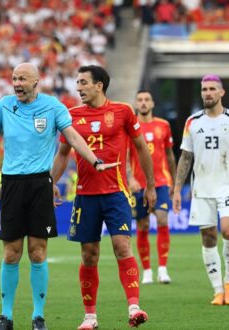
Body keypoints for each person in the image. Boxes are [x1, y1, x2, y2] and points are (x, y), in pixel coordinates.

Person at [0, 63, 116, 330]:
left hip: (40, 184)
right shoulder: (5, 105)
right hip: (12, 184)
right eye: (14, 78)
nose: (17, 83)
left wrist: (95, 161)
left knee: (38, 253)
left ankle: (38, 318)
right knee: (11, 253)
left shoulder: (53, 107)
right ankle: (5, 317)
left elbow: (72, 138)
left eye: (22, 79)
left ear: (36, 82)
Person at [51, 65, 157, 329]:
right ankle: (90, 317)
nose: (78, 87)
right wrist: (50, 182)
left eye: (83, 82)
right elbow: (63, 154)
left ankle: (134, 307)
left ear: (99, 85)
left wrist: (150, 185)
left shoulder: (122, 112)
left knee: (122, 246)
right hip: (85, 196)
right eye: (77, 82)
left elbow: (142, 148)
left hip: (117, 194)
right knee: (89, 254)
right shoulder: (71, 116)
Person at [173, 74, 229, 306]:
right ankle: (217, 289)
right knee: (208, 237)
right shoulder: (192, 122)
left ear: (222, 92)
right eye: (204, 89)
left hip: (228, 185)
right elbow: (185, 157)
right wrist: (177, 188)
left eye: (212, 89)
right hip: (201, 188)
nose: (207, 93)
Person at [128, 90, 176, 284]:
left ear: (153, 103)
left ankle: (162, 269)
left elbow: (170, 155)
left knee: (163, 219)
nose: (143, 103)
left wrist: (175, 181)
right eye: (140, 100)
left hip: (161, 183)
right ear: (136, 104)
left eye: (147, 99)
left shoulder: (163, 125)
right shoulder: (130, 126)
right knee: (143, 224)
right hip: (138, 185)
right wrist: (130, 177)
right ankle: (147, 270)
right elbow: (123, 156)